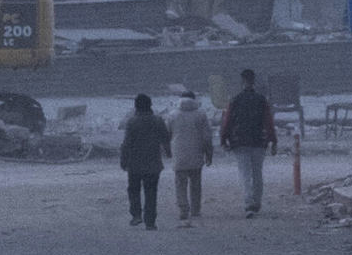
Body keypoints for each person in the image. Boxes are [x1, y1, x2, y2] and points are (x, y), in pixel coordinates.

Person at [222, 70, 278, 218]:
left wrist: (224, 138)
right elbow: (268, 122)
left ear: (242, 81)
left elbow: (228, 120)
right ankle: (257, 202)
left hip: (240, 140)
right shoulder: (261, 100)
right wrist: (273, 140)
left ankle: (248, 204)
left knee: (245, 174)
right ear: (254, 81)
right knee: (257, 173)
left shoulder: (235, 100)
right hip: (259, 140)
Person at [116, 93, 168, 230]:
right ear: (150, 105)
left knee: (134, 190)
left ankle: (136, 215)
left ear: (136, 107)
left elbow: (126, 144)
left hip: (135, 163)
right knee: (151, 192)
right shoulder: (158, 121)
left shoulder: (132, 122)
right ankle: (150, 222)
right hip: (153, 163)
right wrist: (169, 153)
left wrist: (123, 160)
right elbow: (166, 138)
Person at [167, 84, 215, 224]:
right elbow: (207, 137)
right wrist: (209, 154)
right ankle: (195, 209)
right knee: (196, 183)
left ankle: (183, 209)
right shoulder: (201, 114)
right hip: (196, 152)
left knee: (180, 183)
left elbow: (167, 134)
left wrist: (168, 151)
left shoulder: (172, 115)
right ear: (194, 99)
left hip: (179, 153)